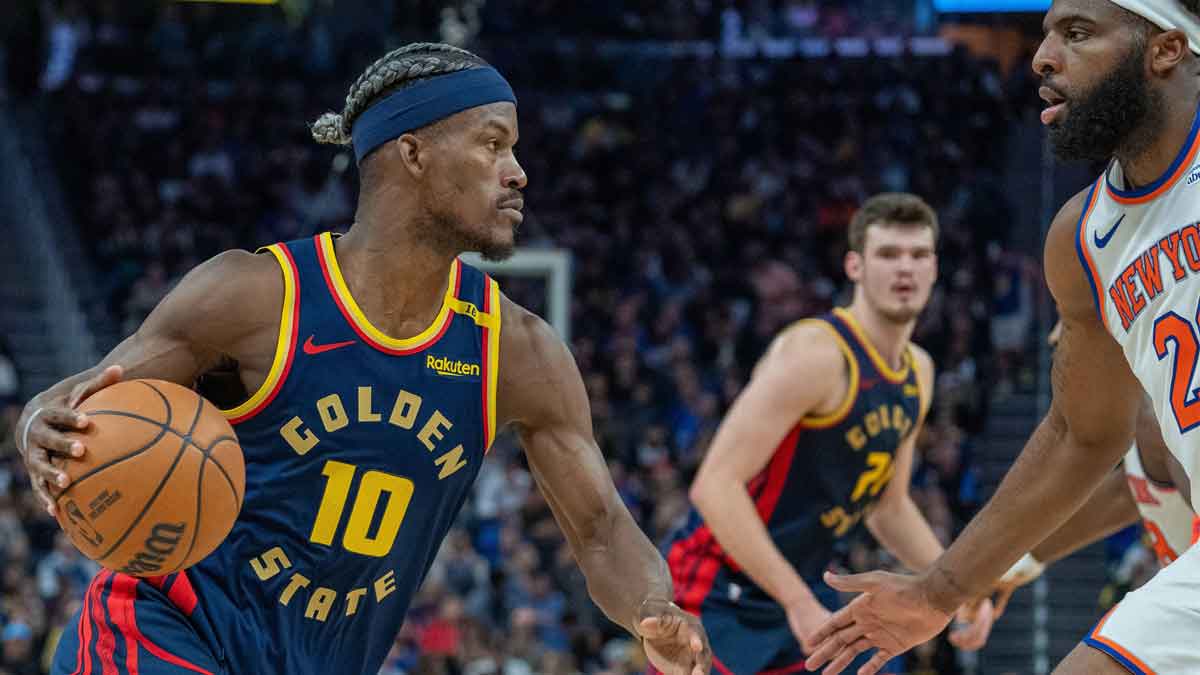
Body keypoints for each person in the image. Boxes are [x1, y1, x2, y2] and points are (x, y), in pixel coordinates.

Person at [16, 43, 710, 675]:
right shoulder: (256, 298)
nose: (518, 172)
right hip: (162, 631)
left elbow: (600, 529)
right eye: (493, 144)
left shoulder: (517, 349)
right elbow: (74, 403)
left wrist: (655, 607)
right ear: (412, 153)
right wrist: (36, 431)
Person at [803, 2, 1200, 673]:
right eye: (1046, 36)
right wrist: (943, 587)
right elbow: (1082, 433)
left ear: (1164, 50)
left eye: (1076, 34)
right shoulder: (1082, 240)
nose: (1043, 57)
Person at [660, 193, 994, 675]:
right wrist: (796, 601)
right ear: (854, 266)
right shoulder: (817, 354)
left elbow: (888, 506)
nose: (905, 269)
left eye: (918, 255)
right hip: (718, 588)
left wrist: (956, 588)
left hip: (800, 587)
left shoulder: (918, 371)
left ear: (935, 268)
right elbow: (714, 486)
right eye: (888, 254)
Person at [993, 322, 1197, 616]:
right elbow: (1125, 495)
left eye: (1062, 349)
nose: (1058, 376)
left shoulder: (1161, 426)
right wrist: (1019, 562)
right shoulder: (1141, 429)